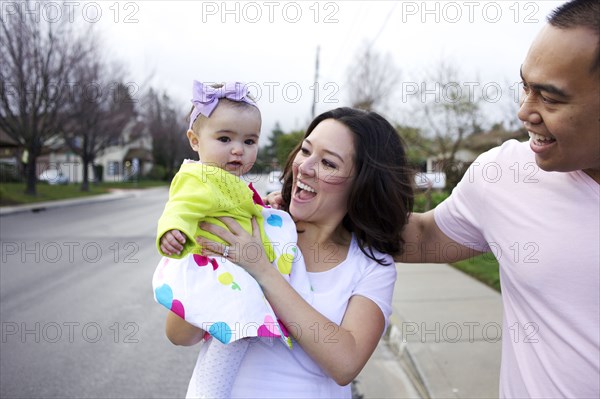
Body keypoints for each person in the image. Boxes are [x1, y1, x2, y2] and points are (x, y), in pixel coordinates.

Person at [398, 0, 599, 397]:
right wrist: (317, 211)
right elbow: (423, 237)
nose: (525, 111)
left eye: (551, 98)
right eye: (525, 86)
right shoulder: (504, 172)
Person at [166, 107, 414, 398]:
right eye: (305, 150)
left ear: (363, 182)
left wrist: (261, 270)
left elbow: (346, 363)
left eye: (328, 163)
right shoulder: (257, 224)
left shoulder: (371, 266)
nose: (305, 167)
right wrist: (218, 263)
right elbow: (180, 335)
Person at [152, 81, 311, 398]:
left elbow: (243, 211)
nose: (238, 149)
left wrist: (266, 206)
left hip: (232, 268)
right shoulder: (198, 177)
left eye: (249, 141)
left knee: (230, 336)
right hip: (216, 269)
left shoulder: (229, 181)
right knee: (233, 339)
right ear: (195, 141)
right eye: (225, 138)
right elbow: (180, 207)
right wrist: (173, 231)